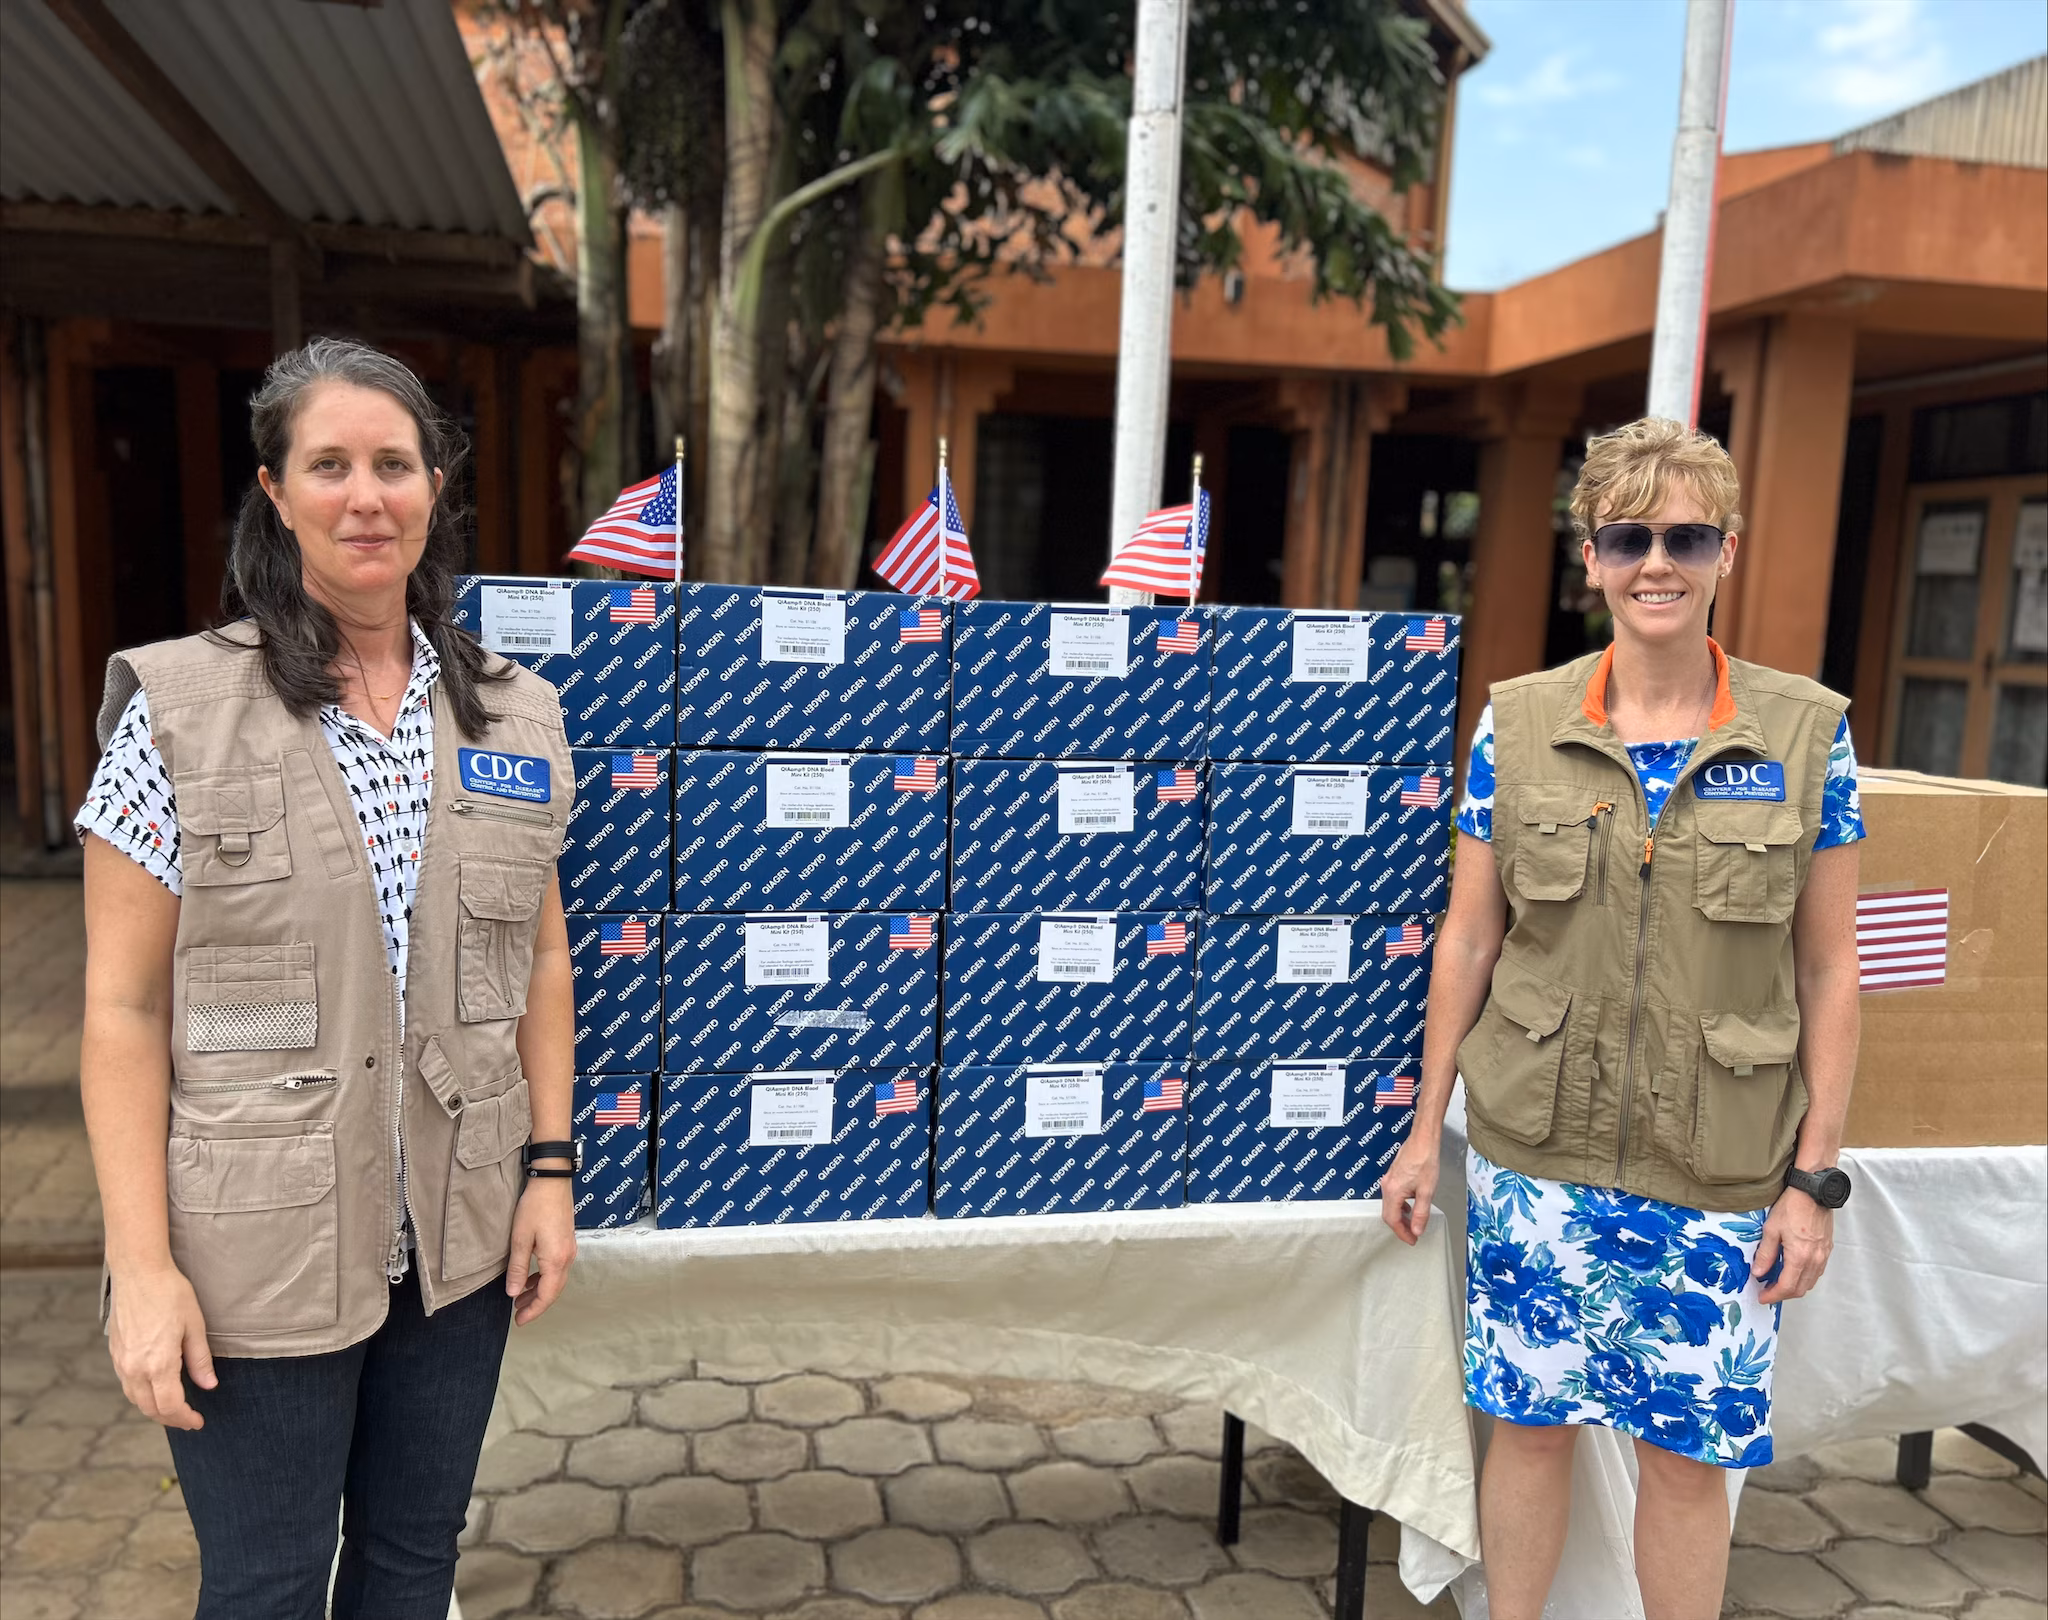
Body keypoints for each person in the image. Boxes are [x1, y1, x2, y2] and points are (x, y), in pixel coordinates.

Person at [76, 338, 581, 1618]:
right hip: (257, 1245)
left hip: (455, 1238)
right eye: (330, 465)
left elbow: (538, 955)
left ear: (435, 487)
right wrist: (142, 1271)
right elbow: (122, 1011)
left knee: (413, 1569)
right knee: (266, 1583)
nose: (367, 495)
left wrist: (550, 1170)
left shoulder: (512, 715)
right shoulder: (182, 712)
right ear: (276, 490)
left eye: (394, 465)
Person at [1380, 418, 1864, 1620]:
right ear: (1588, 557)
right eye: (1629, 536)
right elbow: (1470, 937)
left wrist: (1813, 1182)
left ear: (1725, 552)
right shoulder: (1518, 723)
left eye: (1686, 535)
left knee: (1685, 1463)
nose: (1659, 561)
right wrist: (1418, 1124)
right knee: (1529, 1435)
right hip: (1537, 1157)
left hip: (1718, 1164)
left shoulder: (1807, 734)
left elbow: (1830, 972)